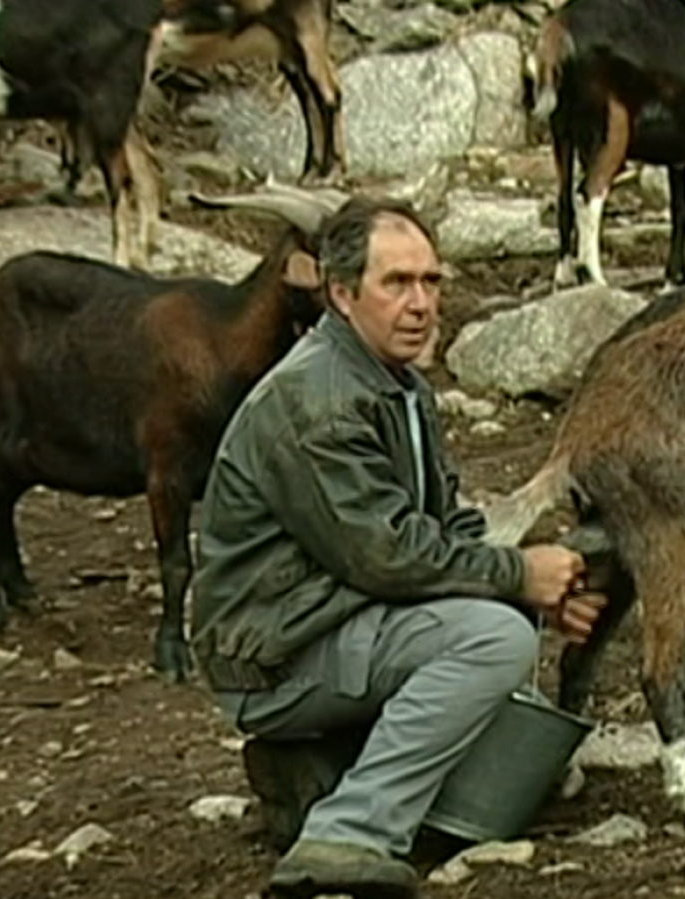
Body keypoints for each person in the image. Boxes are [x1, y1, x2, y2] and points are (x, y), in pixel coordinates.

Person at [188, 196, 605, 899]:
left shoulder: (398, 387)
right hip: (273, 652)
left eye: (431, 282)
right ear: (342, 294)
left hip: (327, 623)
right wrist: (513, 577)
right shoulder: (317, 399)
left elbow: (442, 525)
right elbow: (382, 555)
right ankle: (347, 836)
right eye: (397, 283)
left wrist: (534, 585)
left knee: (509, 676)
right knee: (492, 641)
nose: (420, 303)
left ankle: (322, 773)